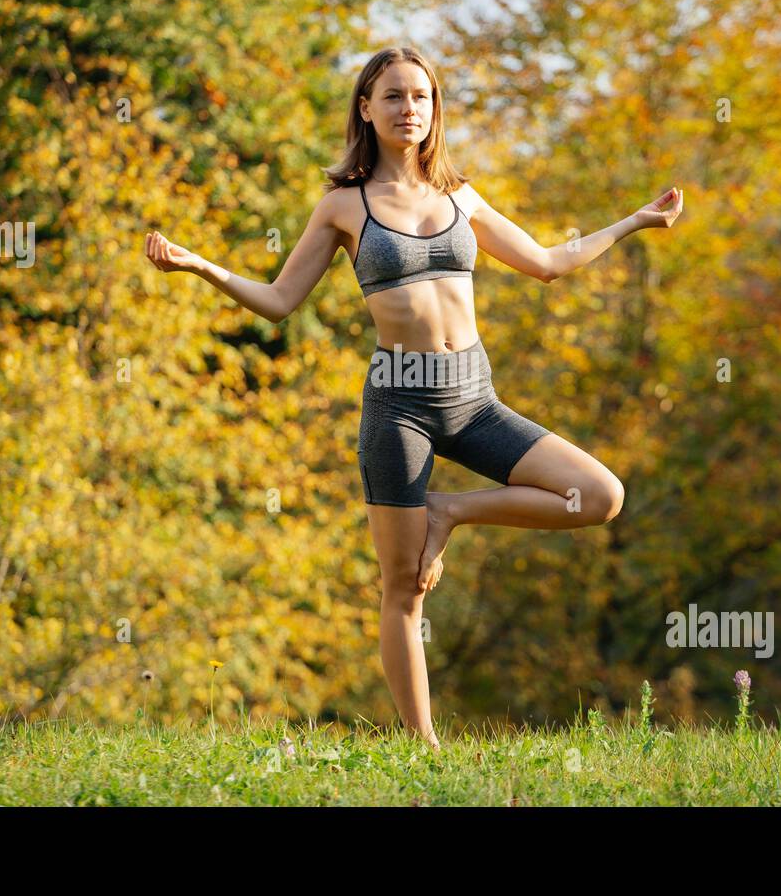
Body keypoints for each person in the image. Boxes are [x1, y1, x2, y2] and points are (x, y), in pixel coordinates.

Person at [144, 46, 683, 751]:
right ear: (365, 108)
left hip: (474, 401)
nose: (410, 109)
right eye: (394, 96)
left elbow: (549, 263)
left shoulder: (463, 196)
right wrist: (199, 266)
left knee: (600, 495)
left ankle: (450, 511)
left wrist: (634, 222)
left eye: (422, 97)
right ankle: (424, 746)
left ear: (435, 110)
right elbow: (279, 302)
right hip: (398, 409)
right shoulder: (344, 205)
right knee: (403, 588)